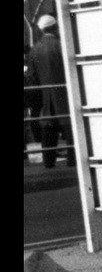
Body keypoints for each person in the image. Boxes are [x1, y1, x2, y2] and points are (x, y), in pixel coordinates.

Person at [23, 15, 71, 170]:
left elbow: (32, 78)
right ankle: (72, 160)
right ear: (56, 27)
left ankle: (48, 161)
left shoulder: (35, 50)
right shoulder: (63, 46)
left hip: (46, 97)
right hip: (65, 94)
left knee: (48, 129)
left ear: (40, 29)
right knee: (69, 128)